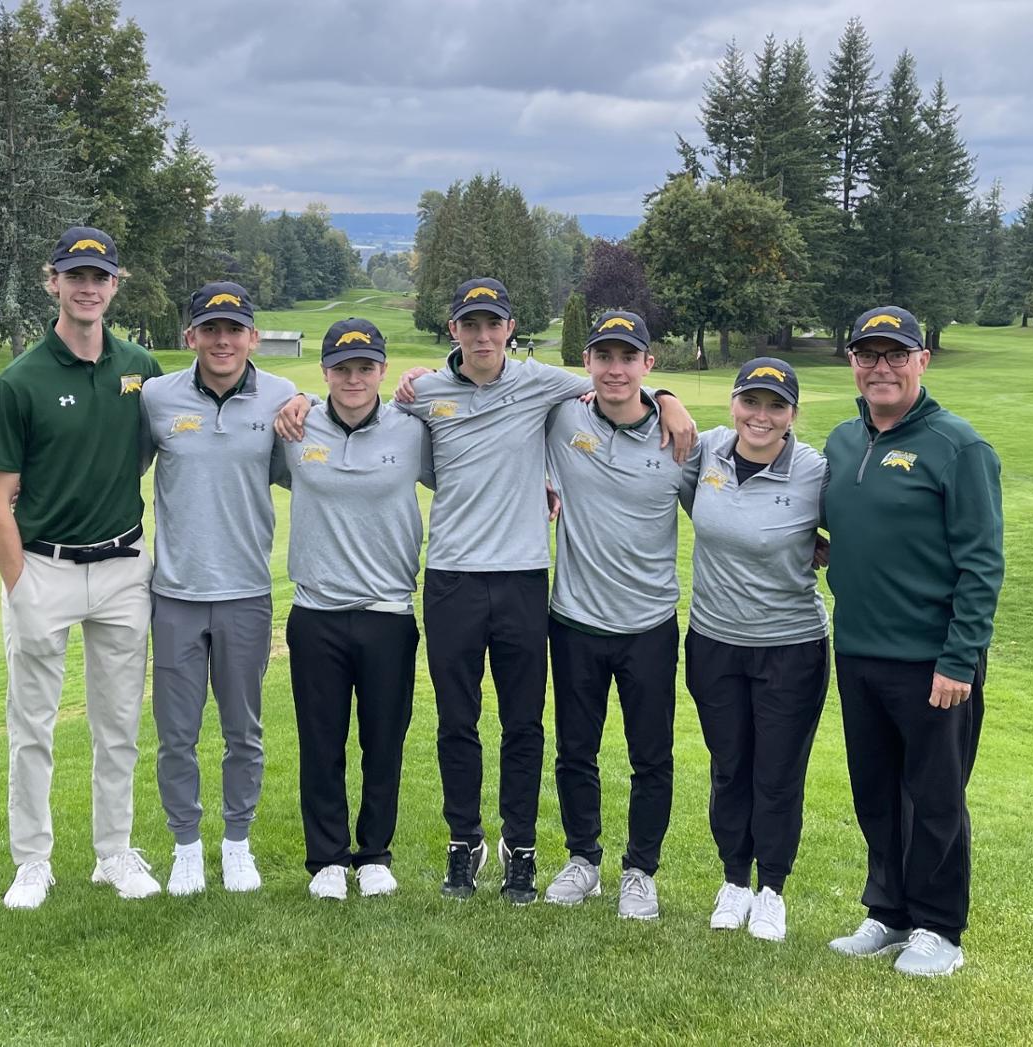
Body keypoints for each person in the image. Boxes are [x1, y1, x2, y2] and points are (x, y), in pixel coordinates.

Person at [276, 276, 696, 904]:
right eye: (469, 324)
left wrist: (670, 398)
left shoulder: (542, 383)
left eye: (491, 323)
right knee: (458, 721)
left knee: (524, 724)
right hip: (450, 579)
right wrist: (303, 397)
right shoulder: (425, 394)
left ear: (509, 328)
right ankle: (464, 840)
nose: (481, 335)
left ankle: (520, 847)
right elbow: (363, 407)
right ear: (454, 331)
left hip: (524, 579)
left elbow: (616, 385)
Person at [0, 226, 164, 909]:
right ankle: (33, 860)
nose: (88, 288)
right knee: (33, 725)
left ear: (117, 284)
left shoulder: (141, 365)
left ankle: (113, 852)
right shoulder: (18, 382)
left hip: (122, 567)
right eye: (75, 275)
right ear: (51, 281)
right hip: (43, 568)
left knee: (118, 724)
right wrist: (18, 585)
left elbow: (158, 442)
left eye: (100, 276)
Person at [823, 305, 1003, 977]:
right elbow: (839, 516)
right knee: (876, 791)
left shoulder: (959, 446)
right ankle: (890, 911)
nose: (881, 367)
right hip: (860, 650)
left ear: (922, 360)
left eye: (896, 354)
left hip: (934, 660)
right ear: (853, 364)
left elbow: (982, 562)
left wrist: (960, 657)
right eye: (868, 355)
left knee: (935, 797)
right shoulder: (844, 441)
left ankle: (940, 927)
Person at [138, 281, 297, 896]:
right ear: (191, 337)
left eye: (234, 330)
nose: (222, 340)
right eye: (210, 329)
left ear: (253, 338)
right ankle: (184, 846)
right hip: (174, 594)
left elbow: (306, 465)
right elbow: (114, 468)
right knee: (176, 733)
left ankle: (237, 843)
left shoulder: (284, 396)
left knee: (242, 732)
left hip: (246, 593)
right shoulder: (157, 397)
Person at [541, 311, 697, 921]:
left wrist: (671, 402)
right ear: (588, 363)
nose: (614, 368)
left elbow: (729, 495)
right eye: (603, 356)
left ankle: (639, 871)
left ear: (647, 364)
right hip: (575, 619)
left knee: (651, 755)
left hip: (649, 625)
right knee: (575, 749)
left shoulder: (682, 440)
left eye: (627, 357)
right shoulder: (562, 419)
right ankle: (583, 859)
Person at [273, 318, 434, 900]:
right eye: (342, 368)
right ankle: (328, 860)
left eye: (365, 367)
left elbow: (475, 462)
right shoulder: (296, 425)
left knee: (384, 738)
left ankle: (374, 853)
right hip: (316, 610)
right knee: (321, 740)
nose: (354, 378)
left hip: (388, 610)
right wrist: (296, 399)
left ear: (383, 371)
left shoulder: (412, 429)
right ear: (324, 373)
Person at [681, 357, 830, 943]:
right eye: (751, 401)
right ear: (733, 402)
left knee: (777, 773)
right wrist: (666, 394)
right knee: (730, 767)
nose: (760, 416)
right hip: (714, 641)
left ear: (793, 414)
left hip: (790, 647)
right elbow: (643, 421)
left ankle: (772, 890)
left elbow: (867, 527)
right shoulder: (708, 450)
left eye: (776, 405)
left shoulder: (815, 470)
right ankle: (734, 880)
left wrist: (823, 544)